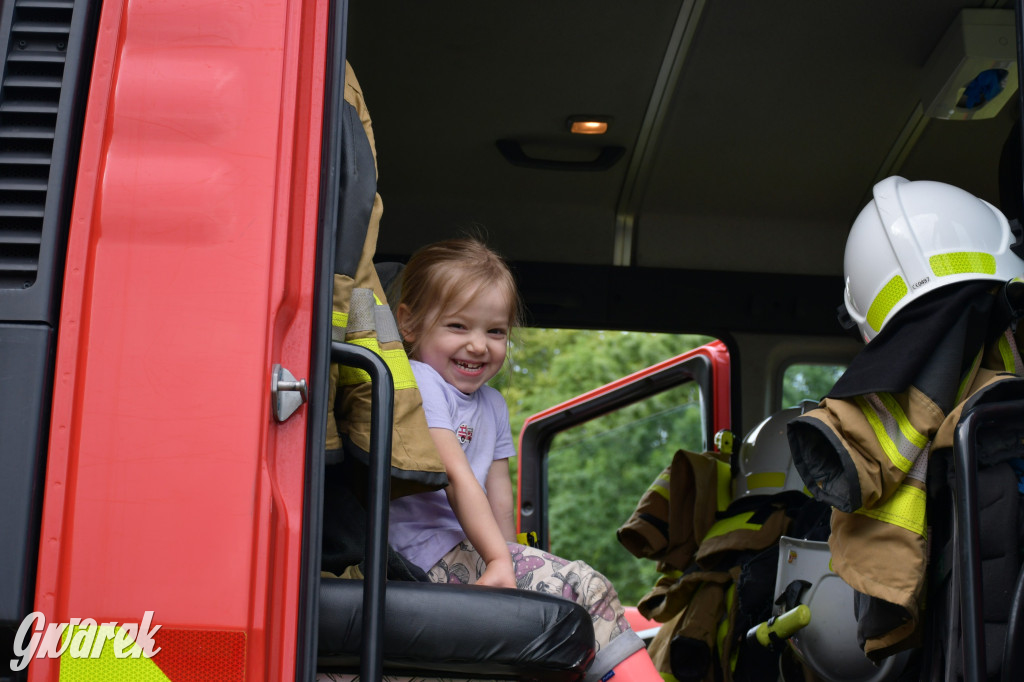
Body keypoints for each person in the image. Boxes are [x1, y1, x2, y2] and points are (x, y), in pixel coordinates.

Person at [388, 237, 659, 682]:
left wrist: (510, 559)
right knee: (585, 587)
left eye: (495, 332)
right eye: (458, 326)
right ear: (410, 324)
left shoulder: (492, 404)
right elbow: (456, 475)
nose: (479, 345)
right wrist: (498, 562)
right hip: (419, 556)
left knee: (548, 612)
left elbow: (498, 491)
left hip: (468, 551)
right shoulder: (418, 382)